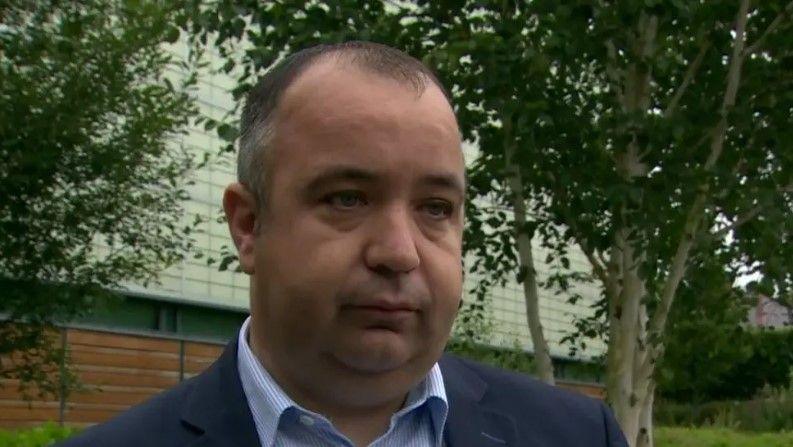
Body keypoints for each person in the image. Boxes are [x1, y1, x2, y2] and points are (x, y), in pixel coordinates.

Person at [60, 41, 628, 447]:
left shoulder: (579, 435)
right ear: (249, 225)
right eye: (348, 199)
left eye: (435, 209)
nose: (400, 252)